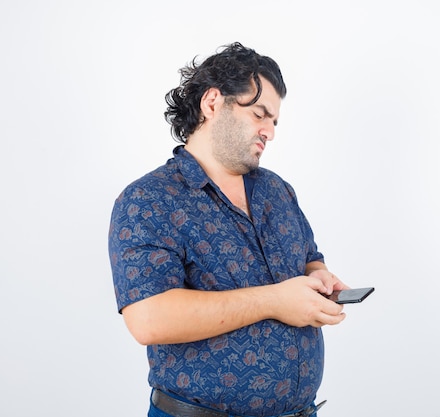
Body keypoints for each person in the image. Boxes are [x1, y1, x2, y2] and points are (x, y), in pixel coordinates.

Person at [108, 42, 349, 417]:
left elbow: (309, 260)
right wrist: (275, 301)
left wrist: (321, 282)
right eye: (260, 114)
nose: (269, 131)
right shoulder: (149, 199)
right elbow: (149, 319)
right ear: (213, 102)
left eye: (274, 121)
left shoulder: (277, 190)